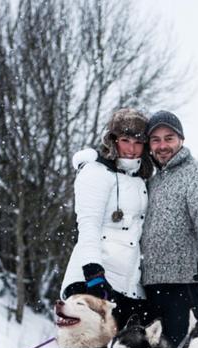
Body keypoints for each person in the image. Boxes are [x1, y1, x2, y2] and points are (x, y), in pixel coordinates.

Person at [61, 108, 154, 329]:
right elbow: (88, 225)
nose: (131, 149)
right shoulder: (96, 172)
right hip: (94, 279)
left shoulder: (141, 180)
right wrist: (94, 273)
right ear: (113, 140)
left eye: (138, 142)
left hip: (127, 284)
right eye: (125, 140)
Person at [140, 110, 198, 347]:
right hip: (151, 285)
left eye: (169, 138)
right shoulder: (151, 182)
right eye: (155, 140)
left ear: (181, 140)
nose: (162, 145)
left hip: (187, 285)